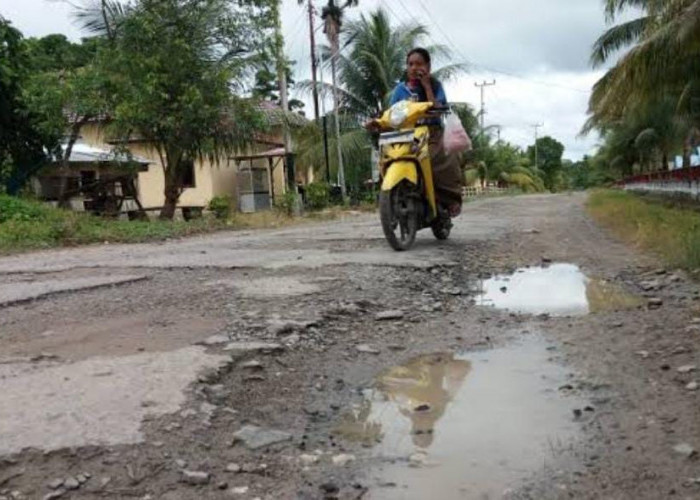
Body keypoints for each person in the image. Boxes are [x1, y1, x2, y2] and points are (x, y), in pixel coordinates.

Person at [387, 47, 464, 217]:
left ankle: (449, 199)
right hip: (407, 136)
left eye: (419, 64)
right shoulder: (400, 90)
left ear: (428, 67)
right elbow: (391, 112)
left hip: (431, 134)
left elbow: (438, 106)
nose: (414, 68)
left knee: (440, 159)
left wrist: (426, 86)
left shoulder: (435, 85)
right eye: (410, 64)